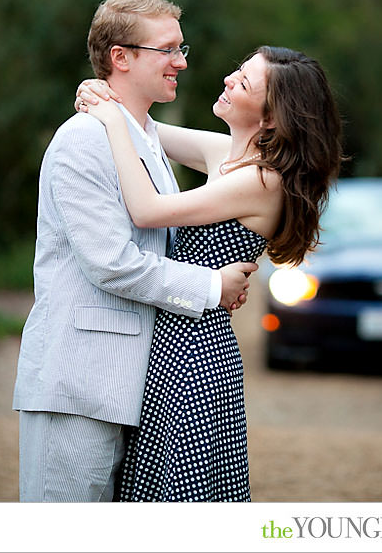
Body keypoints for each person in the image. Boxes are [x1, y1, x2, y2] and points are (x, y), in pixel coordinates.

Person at [12, 0, 257, 503]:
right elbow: (111, 264)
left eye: (181, 48)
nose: (182, 62)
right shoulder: (84, 139)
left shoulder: (142, 138)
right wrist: (213, 284)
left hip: (134, 387)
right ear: (121, 57)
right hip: (78, 383)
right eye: (167, 50)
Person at [73, 43, 343, 501]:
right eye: (236, 71)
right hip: (173, 343)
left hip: (194, 359)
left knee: (178, 495)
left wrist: (113, 119)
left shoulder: (262, 181)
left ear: (272, 117)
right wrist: (101, 92)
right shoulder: (226, 155)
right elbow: (147, 131)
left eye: (243, 83)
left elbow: (148, 209)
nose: (227, 81)